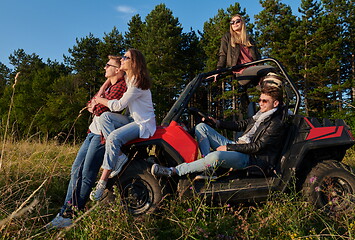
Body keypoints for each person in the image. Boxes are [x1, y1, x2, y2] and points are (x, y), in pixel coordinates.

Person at [46, 55, 129, 229]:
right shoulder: (109, 87)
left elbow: (99, 108)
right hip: (92, 132)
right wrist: (100, 94)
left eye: (108, 65)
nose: (104, 67)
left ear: (117, 70)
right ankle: (65, 210)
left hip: (101, 136)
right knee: (76, 170)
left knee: (87, 174)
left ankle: (71, 214)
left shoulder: (121, 87)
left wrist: (96, 104)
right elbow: (91, 104)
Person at [151, 85, 284, 178]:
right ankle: (209, 171)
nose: (261, 103)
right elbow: (241, 124)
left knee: (215, 157)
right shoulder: (259, 115)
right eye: (260, 100)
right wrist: (217, 123)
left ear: (276, 103)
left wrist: (228, 147)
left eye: (265, 101)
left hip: (249, 158)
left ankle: (174, 171)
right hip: (238, 146)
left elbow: (257, 147)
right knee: (201, 127)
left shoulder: (275, 123)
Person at [90, 49, 156, 201]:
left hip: (142, 123)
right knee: (105, 117)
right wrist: (103, 87)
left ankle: (102, 182)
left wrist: (99, 100)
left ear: (134, 62)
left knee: (113, 137)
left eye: (126, 57)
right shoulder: (130, 78)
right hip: (132, 119)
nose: (122, 59)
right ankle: (119, 156)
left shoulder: (137, 82)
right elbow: (114, 77)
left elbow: (118, 106)